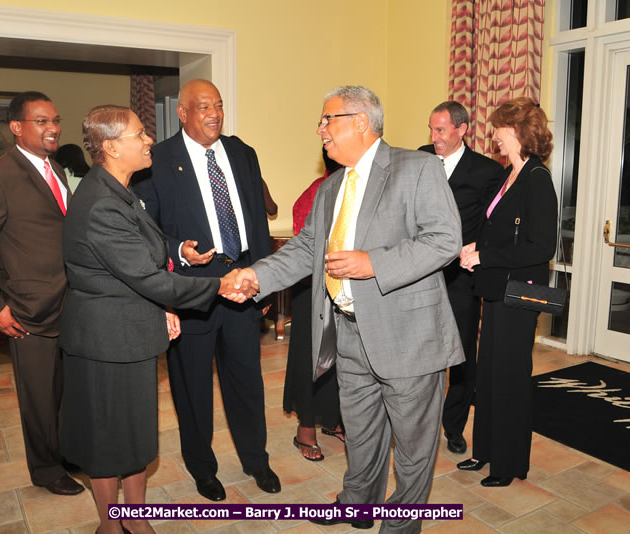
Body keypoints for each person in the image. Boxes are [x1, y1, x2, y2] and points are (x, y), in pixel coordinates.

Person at [236, 85, 464, 533]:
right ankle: (357, 503)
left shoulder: (417, 168)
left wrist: (372, 263)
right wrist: (257, 277)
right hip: (348, 332)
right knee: (360, 433)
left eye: (328, 120)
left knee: (414, 448)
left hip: (409, 335)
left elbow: (445, 240)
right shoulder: (331, 187)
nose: (320, 129)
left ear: (360, 121)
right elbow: (306, 248)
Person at [59, 105, 252, 534]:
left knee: (135, 433)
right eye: (139, 133)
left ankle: (136, 517)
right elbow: (146, 277)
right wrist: (218, 285)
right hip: (105, 341)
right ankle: (111, 524)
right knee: (108, 438)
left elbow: (145, 240)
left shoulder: (120, 189)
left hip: (130, 332)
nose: (149, 140)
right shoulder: (101, 204)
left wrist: (178, 250)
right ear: (110, 146)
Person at [133, 79, 278, 501]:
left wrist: (263, 281)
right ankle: (202, 467)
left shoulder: (241, 153)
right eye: (202, 107)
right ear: (182, 113)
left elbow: (257, 221)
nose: (213, 114)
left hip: (242, 285)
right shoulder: (157, 160)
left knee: (247, 381)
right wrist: (178, 250)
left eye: (218, 105)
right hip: (192, 291)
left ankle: (257, 460)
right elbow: (145, 234)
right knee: (192, 385)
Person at [0, 91, 82, 495]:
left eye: (55, 120)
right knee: (39, 398)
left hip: (72, 305)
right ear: (16, 127)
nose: (53, 128)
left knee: (66, 391)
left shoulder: (56, 169)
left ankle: (67, 452)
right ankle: (46, 470)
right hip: (28, 310)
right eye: (41, 121)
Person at [457, 96, 557, 487]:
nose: (493, 134)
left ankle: (508, 463)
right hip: (497, 290)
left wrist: (486, 255)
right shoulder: (508, 175)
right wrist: (473, 250)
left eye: (499, 127)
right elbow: (495, 229)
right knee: (490, 374)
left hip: (519, 295)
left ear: (517, 131)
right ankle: (484, 451)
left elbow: (540, 247)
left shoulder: (537, 179)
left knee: (511, 378)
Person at [418, 101, 503, 455]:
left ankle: (453, 425)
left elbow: (491, 225)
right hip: (419, 273)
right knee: (419, 352)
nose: (434, 137)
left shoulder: (486, 171)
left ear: (462, 129)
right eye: (432, 129)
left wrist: (474, 250)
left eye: (441, 130)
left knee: (462, 355)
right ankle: (416, 423)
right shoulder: (418, 159)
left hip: (461, 278)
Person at [285, 147, 344, 462]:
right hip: (313, 290)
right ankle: (305, 429)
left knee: (343, 358)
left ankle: (334, 420)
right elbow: (303, 248)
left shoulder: (359, 188)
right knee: (311, 360)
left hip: (348, 288)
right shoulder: (315, 193)